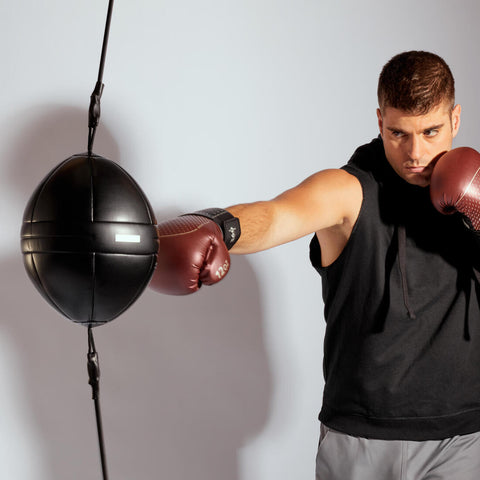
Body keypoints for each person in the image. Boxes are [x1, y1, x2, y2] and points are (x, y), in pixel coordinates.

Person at [150, 51, 480, 479]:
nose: (415, 153)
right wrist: (219, 227)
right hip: (360, 437)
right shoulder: (349, 191)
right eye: (399, 133)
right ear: (380, 121)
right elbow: (278, 214)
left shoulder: (475, 190)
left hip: (460, 438)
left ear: (455, 120)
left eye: (430, 132)